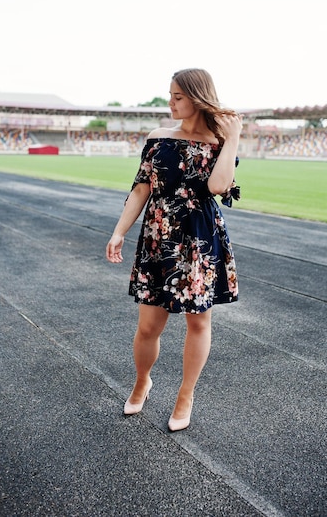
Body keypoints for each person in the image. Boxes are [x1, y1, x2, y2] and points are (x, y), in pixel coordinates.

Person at [106, 68, 242, 431]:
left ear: (198, 97)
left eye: (177, 96)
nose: (170, 102)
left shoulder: (219, 142)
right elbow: (140, 190)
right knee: (148, 326)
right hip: (158, 237)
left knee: (199, 320)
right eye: (170, 95)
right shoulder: (158, 138)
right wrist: (119, 231)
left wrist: (233, 140)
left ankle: (186, 395)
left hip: (200, 240)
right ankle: (142, 381)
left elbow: (217, 186)